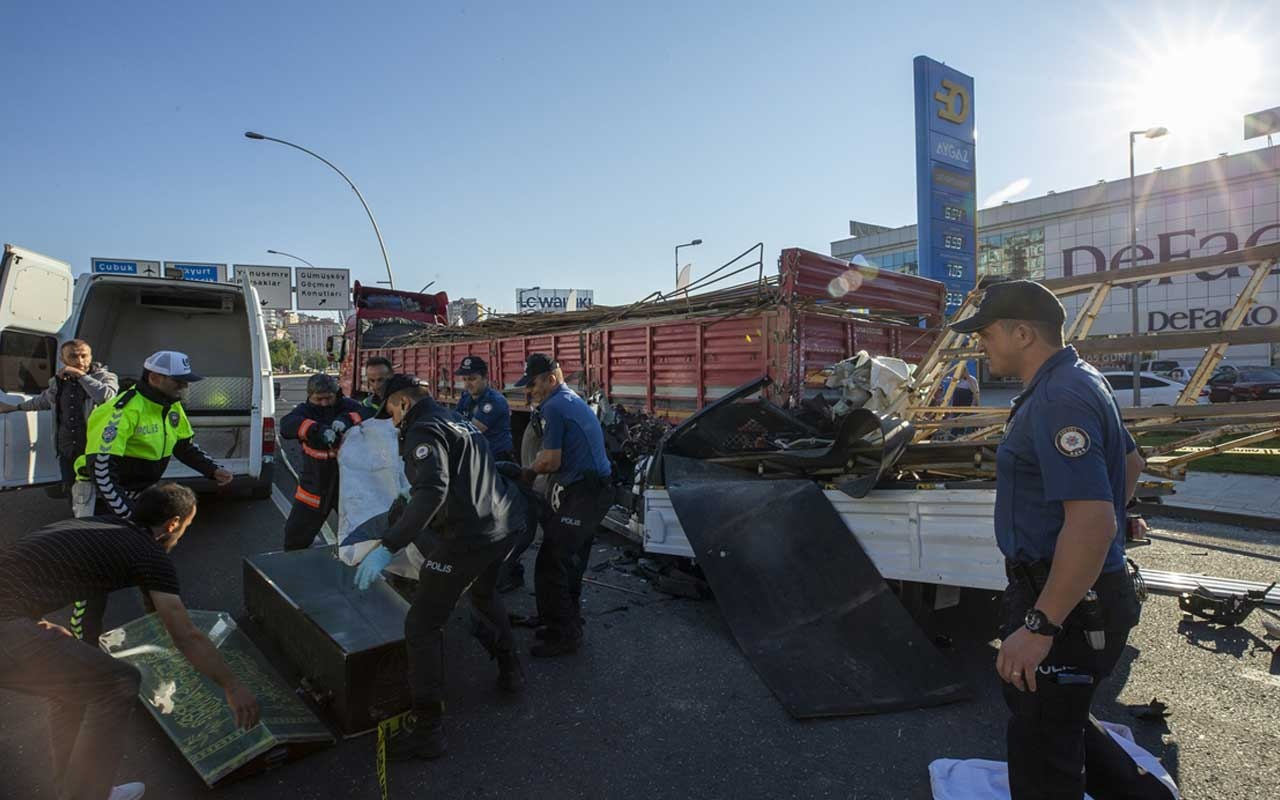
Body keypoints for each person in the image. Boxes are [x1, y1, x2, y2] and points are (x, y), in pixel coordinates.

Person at [951, 281, 1158, 800]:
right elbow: (1131, 464)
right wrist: (1100, 522)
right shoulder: (1078, 377)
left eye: (987, 333)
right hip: (1079, 592)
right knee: (1060, 720)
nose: (982, 344)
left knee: (1043, 753)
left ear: (1022, 333)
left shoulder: (1059, 396)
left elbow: (1092, 522)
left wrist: (1041, 624)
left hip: (1064, 604)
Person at [0, 483, 259, 800]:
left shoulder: (100, 526)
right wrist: (232, 685)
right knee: (119, 682)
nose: (181, 536)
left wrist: (36, 625)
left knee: (70, 686)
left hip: (12, 616)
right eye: (186, 527)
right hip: (6, 624)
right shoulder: (148, 554)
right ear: (172, 525)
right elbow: (186, 634)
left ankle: (80, 790)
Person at [353, 374, 527, 761]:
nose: (392, 421)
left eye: (391, 413)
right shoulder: (456, 418)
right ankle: (511, 671)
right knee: (484, 594)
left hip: (469, 537)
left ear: (402, 403)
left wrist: (389, 544)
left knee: (422, 625)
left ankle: (428, 729)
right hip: (503, 525)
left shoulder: (422, 429)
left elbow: (433, 489)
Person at [515, 354, 612, 657]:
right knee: (569, 559)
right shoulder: (567, 399)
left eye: (533, 385)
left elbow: (550, 459)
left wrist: (526, 475)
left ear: (550, 379)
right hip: (588, 489)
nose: (530, 392)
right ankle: (557, 618)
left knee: (552, 560)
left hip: (586, 492)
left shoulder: (554, 407)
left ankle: (565, 634)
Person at [74, 350, 232, 521]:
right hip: (103, 494)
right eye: (178, 381)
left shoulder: (171, 405)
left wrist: (213, 470)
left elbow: (183, 446)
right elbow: (101, 469)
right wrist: (130, 514)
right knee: (103, 545)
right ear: (154, 378)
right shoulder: (121, 411)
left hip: (139, 490)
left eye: (186, 381)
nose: (184, 387)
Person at [0, 339, 118, 496]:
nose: (80, 361)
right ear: (63, 359)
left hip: (94, 448)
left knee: (99, 492)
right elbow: (43, 401)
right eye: (74, 356)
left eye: (84, 356)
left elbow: (106, 397)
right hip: (67, 447)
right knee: (72, 490)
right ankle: (75, 517)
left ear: (91, 356)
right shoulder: (59, 382)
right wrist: (15, 407)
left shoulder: (106, 377)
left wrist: (81, 376)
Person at [279, 373, 369, 551]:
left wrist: (347, 420)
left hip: (348, 485)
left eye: (328, 398)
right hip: (315, 486)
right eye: (318, 399)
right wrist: (315, 429)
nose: (324, 403)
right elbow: (286, 425)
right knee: (295, 536)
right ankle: (295, 572)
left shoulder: (348, 405)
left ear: (337, 394)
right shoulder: (305, 411)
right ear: (309, 396)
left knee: (361, 535)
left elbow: (367, 413)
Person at [453, 356, 514, 461]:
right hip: (478, 457)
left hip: (496, 460)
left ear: (485, 377)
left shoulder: (494, 401)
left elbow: (472, 431)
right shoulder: (466, 397)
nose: (467, 384)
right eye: (464, 379)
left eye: (472, 379)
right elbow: (453, 420)